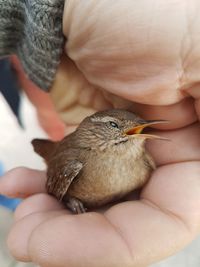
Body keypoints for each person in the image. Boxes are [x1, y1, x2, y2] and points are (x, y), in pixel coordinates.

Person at [0, 1, 200, 266]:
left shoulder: (143, 162)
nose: (133, 132)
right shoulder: (74, 163)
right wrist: (70, 199)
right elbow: (55, 184)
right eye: (115, 126)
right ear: (95, 131)